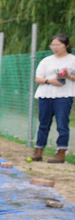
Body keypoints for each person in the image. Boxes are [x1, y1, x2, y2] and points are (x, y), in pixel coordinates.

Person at [32, 32, 75, 164]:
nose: (54, 47)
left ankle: (61, 152)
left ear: (66, 45)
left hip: (64, 95)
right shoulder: (46, 60)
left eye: (58, 44)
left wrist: (67, 76)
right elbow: (37, 78)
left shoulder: (72, 60)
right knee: (43, 124)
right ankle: (38, 151)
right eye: (53, 45)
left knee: (62, 124)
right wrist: (50, 81)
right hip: (46, 94)